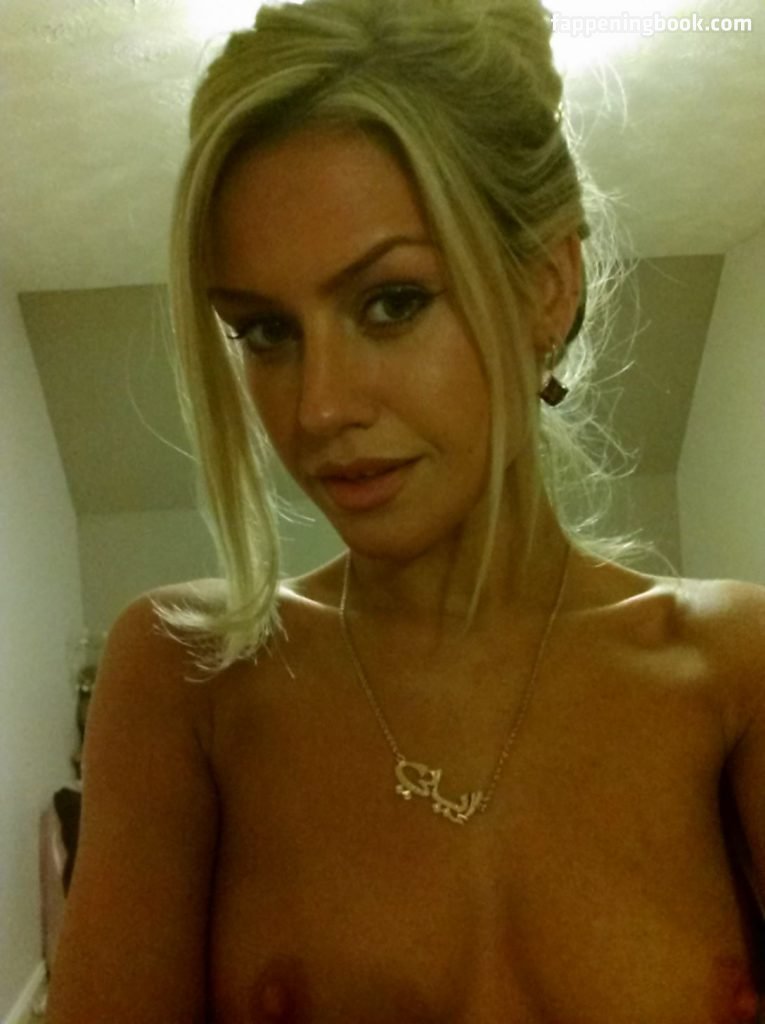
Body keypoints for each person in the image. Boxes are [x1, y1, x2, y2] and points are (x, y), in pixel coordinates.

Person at [47, 0, 765, 1021]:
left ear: (546, 289)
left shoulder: (731, 674)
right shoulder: (189, 681)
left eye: (392, 303)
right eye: (264, 332)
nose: (318, 407)